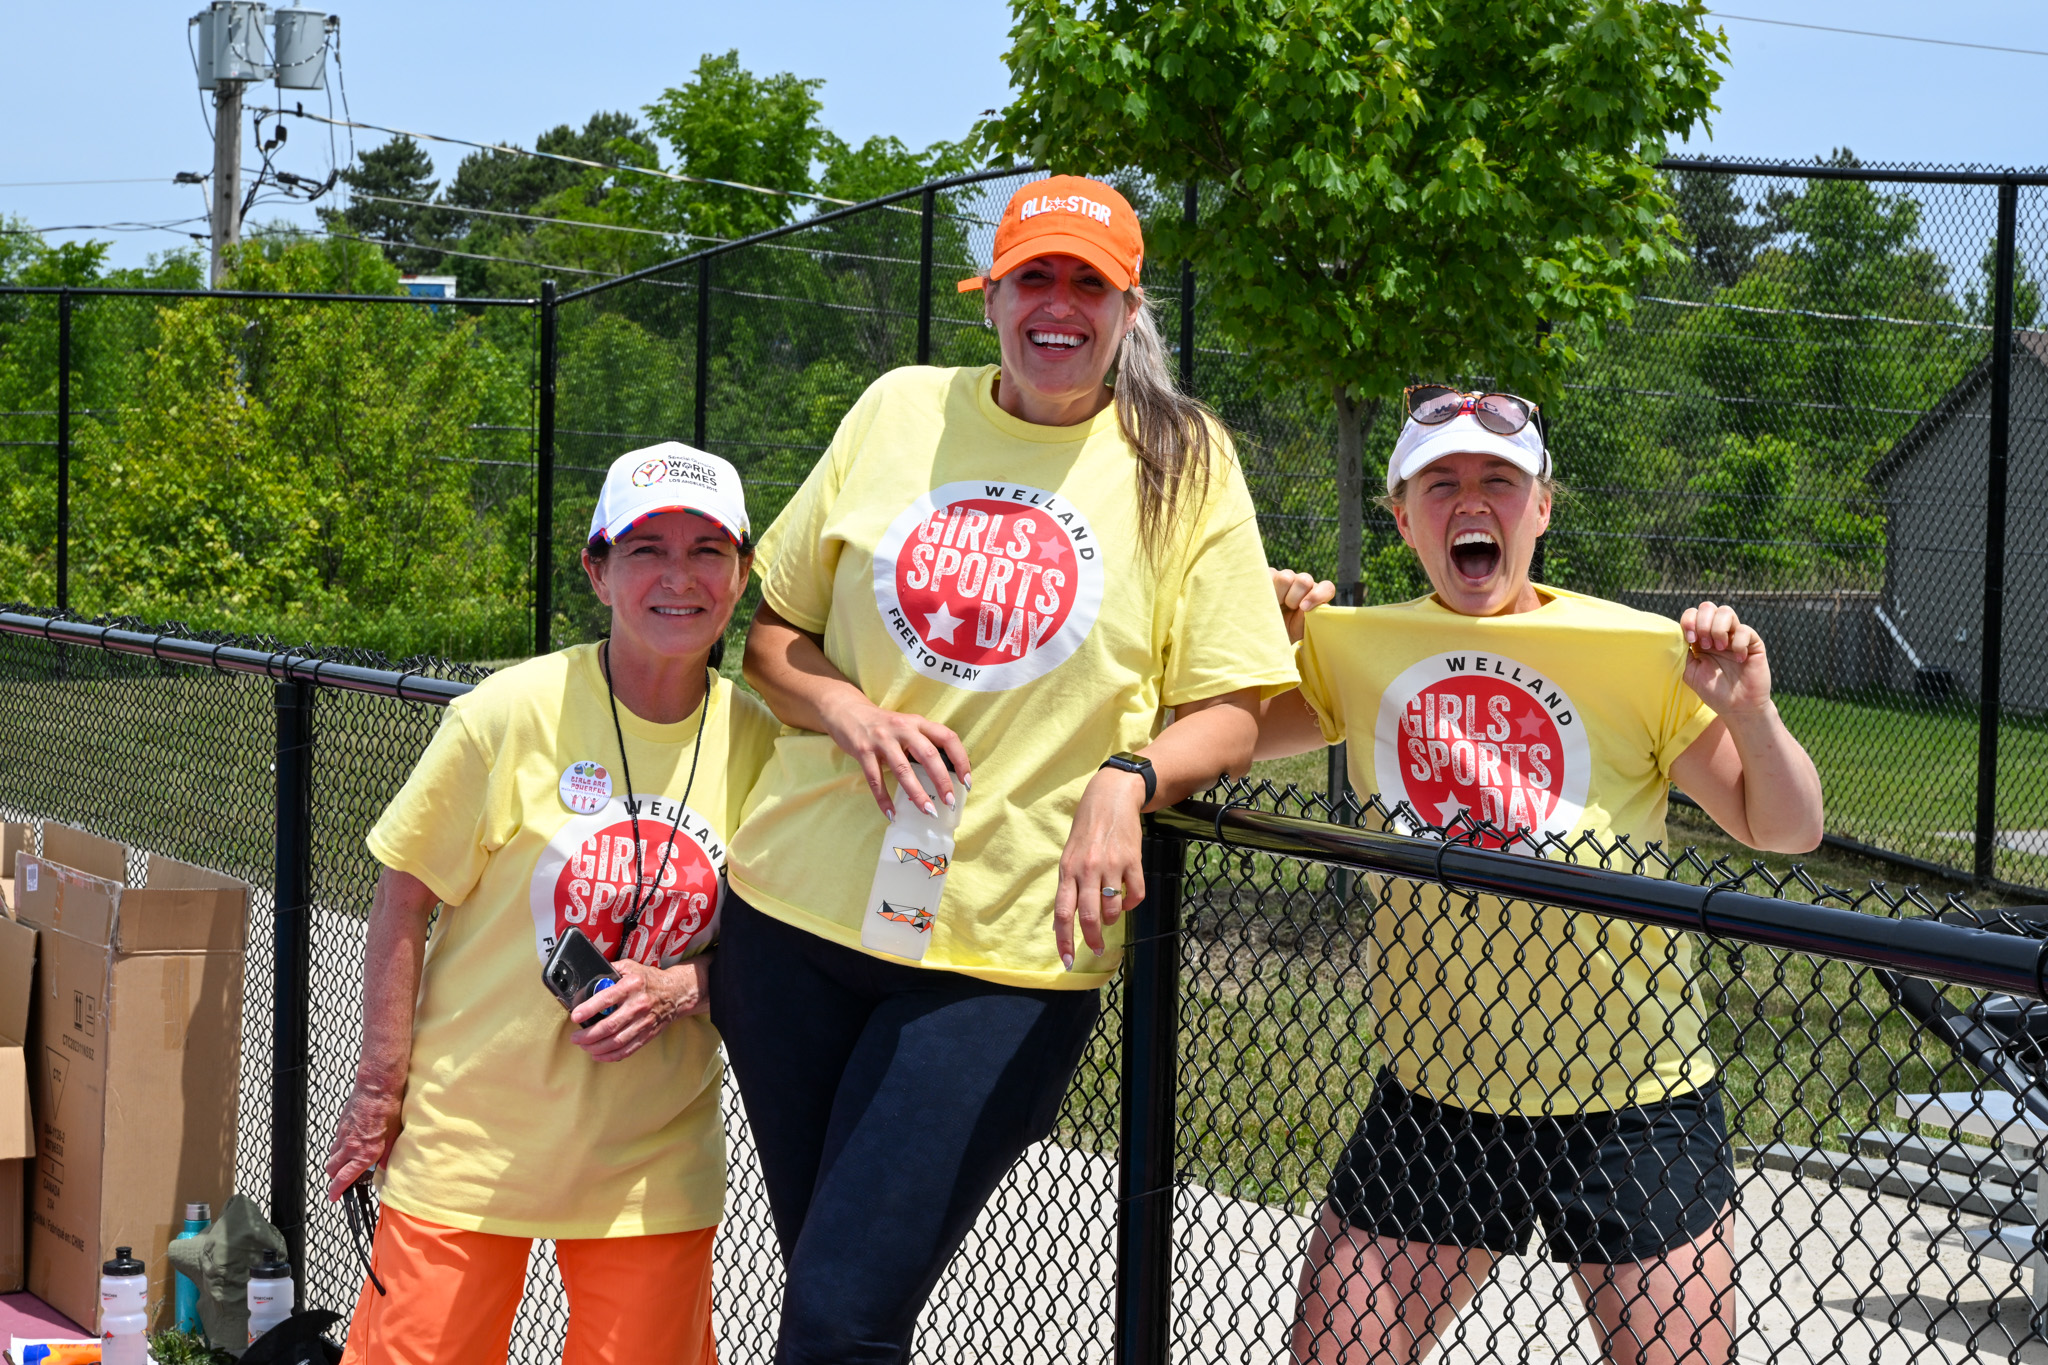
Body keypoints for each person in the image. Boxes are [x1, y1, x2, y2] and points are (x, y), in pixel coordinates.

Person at [714, 174, 1299, 1363]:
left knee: (838, 1314)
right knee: (826, 1288)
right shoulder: (896, 410)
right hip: (790, 919)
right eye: (1035, 275)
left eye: (1091, 284)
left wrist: (1124, 781)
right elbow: (769, 638)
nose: (1059, 306)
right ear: (990, 298)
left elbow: (1236, 709)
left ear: (1129, 312)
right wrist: (844, 710)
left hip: (1002, 951)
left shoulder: (1179, 459)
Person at [1262, 388, 1825, 1365]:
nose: (1469, 501)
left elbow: (1784, 828)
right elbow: (1222, 741)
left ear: (1541, 509)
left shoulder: (1636, 651)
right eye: (1440, 484)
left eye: (1497, 481)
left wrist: (1749, 714)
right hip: (1436, 1095)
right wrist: (1253, 646)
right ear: (1401, 516)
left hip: (1632, 1095)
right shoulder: (1356, 649)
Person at [322, 444, 779, 1365]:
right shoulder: (509, 712)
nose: (678, 577)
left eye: (707, 550)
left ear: (742, 574)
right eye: (647, 548)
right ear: (597, 570)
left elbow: (783, 945)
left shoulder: (764, 743)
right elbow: (403, 897)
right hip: (469, 1145)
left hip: (648, 1165)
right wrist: (378, 1089)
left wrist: (681, 986)